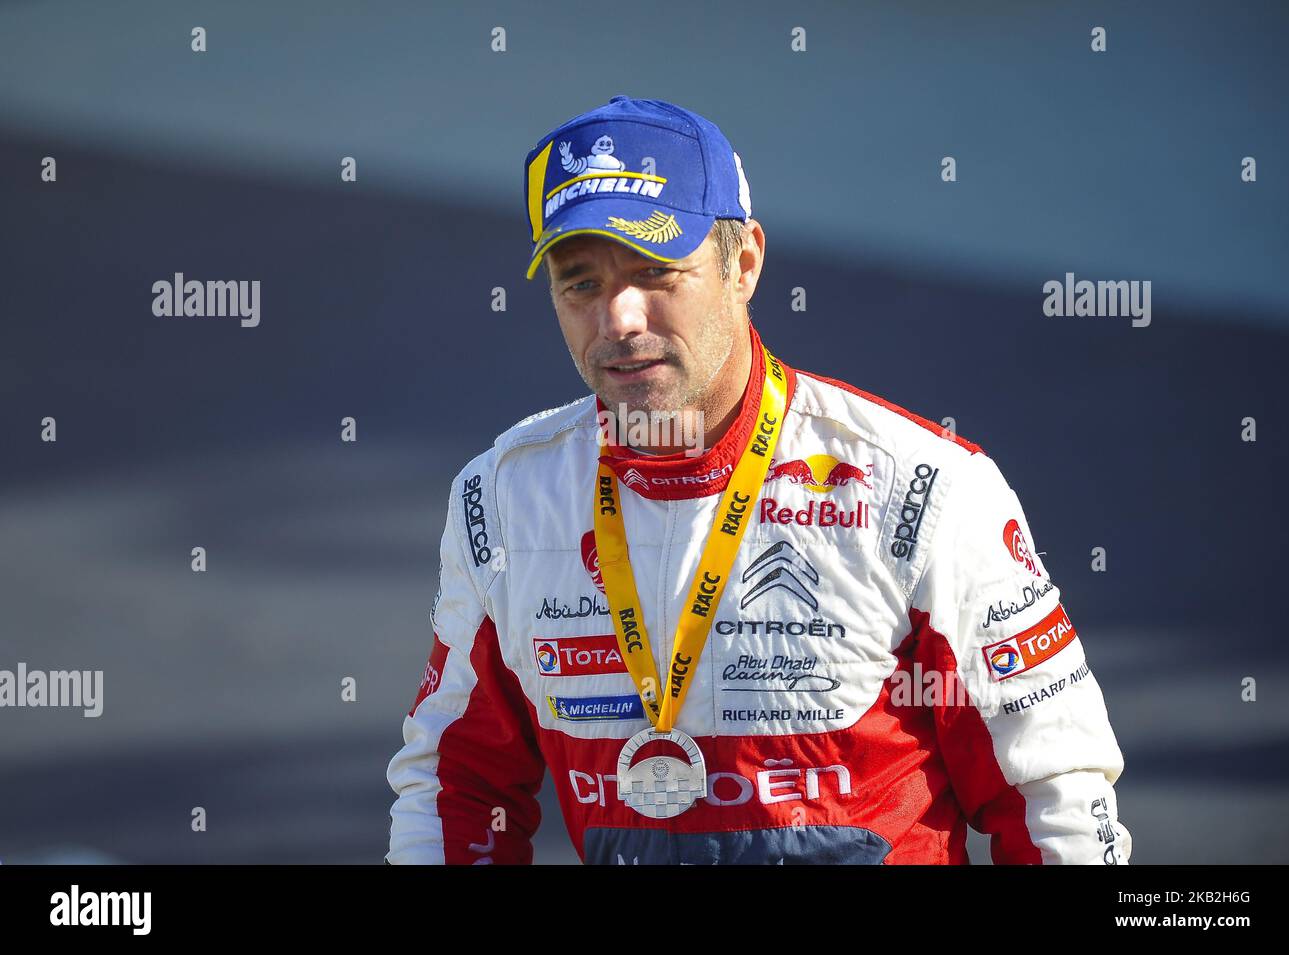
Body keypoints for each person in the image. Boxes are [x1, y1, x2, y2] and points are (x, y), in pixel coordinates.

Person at [385, 95, 1132, 865]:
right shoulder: (504, 499)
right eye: (581, 284)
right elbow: (458, 785)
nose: (619, 318)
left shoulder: (922, 489)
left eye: (655, 269)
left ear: (744, 265)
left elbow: (1053, 796)